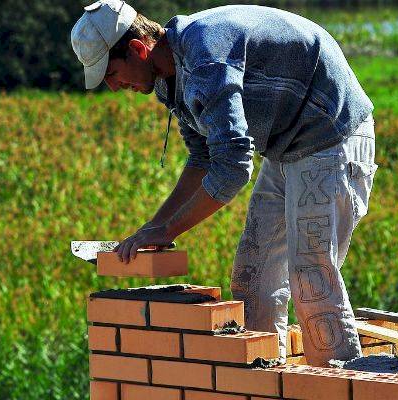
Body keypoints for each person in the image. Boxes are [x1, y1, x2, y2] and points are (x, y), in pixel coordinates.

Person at [71, 0, 378, 366]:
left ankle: (341, 384)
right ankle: (266, 382)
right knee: (253, 278)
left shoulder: (205, 54)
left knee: (311, 277)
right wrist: (152, 228)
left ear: (138, 49)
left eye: (111, 74)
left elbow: (233, 167)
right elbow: (203, 159)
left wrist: (168, 230)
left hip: (330, 131)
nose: (114, 87)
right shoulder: (170, 81)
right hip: (286, 145)